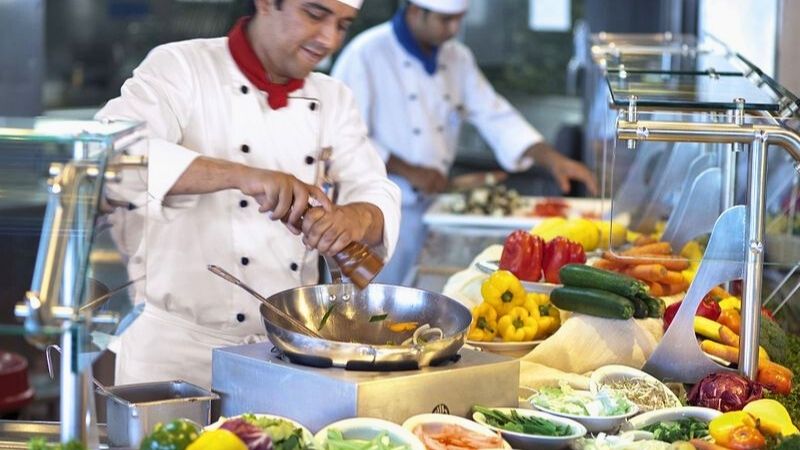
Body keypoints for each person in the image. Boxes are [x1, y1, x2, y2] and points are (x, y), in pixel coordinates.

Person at [96, 0, 401, 388]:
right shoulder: (180, 67)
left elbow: (373, 187)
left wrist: (354, 218)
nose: (329, 39)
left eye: (343, 24)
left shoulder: (334, 98)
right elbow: (111, 158)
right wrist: (244, 176)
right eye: (315, 14)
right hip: (174, 359)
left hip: (285, 355)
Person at [331, 0, 598, 285]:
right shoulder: (366, 53)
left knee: (415, 296)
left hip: (435, 209)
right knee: (369, 304)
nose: (455, 29)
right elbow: (345, 137)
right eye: (446, 21)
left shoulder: (457, 57)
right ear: (414, 12)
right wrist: (411, 171)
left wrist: (553, 159)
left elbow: (495, 115)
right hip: (374, 215)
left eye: (459, 19)